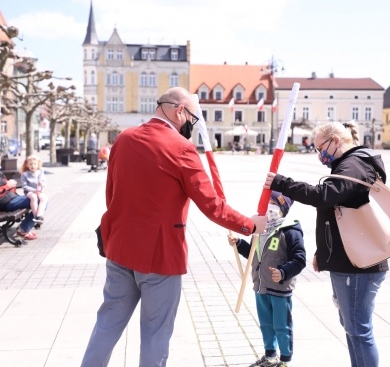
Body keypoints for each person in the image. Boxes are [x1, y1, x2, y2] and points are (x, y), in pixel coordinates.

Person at [80, 87, 267, 367]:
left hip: (119, 248)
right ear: (180, 111)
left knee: (106, 324)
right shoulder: (181, 148)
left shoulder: (123, 139)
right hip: (160, 256)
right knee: (156, 335)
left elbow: (112, 194)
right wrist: (250, 225)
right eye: (192, 117)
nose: (191, 125)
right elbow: (211, 206)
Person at [264, 120, 388, 367]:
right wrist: (324, 252)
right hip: (349, 259)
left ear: (336, 141)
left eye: (321, 148)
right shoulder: (348, 165)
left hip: (358, 264)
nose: (319, 154)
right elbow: (334, 214)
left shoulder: (353, 164)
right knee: (353, 327)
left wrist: (282, 182)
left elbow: (324, 196)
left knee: (358, 330)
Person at [229, 191, 306, 367]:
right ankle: (270, 356)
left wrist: (284, 272)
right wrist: (239, 244)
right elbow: (253, 255)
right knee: (266, 324)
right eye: (267, 202)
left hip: (280, 288)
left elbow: (299, 259)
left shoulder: (290, 230)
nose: (268, 207)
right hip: (261, 286)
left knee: (282, 326)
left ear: (282, 208)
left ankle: (285, 360)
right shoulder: (260, 229)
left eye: (273, 203)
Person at [0, 154, 36, 240]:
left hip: (10, 198)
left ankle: (25, 227)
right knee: (38, 201)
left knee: (41, 199)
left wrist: (11, 184)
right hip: (5, 202)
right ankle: (23, 228)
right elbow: (4, 187)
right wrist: (8, 186)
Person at [21, 155, 48, 227]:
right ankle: (36, 216)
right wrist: (33, 190)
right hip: (30, 192)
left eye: (34, 164)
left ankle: (39, 215)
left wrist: (42, 184)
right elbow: (24, 186)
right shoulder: (24, 174)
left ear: (37, 164)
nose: (33, 166)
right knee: (34, 197)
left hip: (39, 191)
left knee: (44, 198)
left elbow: (45, 183)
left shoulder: (40, 173)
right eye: (30, 164)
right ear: (27, 165)